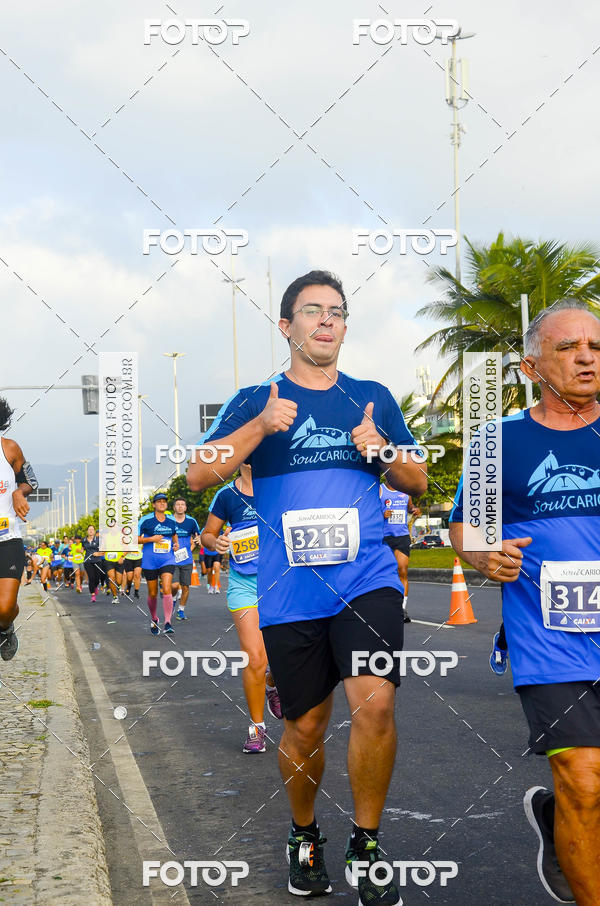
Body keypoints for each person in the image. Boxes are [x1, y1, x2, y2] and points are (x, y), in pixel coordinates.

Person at [188, 270, 427, 903]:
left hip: (366, 581)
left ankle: (367, 844)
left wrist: (381, 450)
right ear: (287, 325)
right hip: (291, 592)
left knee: (375, 705)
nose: (326, 321)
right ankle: (304, 834)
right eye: (312, 311)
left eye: (337, 312)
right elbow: (196, 474)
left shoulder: (371, 396)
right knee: (305, 725)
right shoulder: (253, 398)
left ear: (345, 326)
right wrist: (261, 427)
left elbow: (418, 483)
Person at [449, 301, 600, 906]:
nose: (587, 356)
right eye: (568, 348)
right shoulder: (497, 443)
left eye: (594, 344)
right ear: (531, 367)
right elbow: (464, 529)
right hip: (551, 638)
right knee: (585, 782)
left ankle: (558, 817)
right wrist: (483, 556)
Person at [202, 463, 283, 753]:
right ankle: (257, 728)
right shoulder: (226, 496)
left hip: (281, 582)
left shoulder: (278, 484)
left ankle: (272, 682)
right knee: (254, 657)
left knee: (280, 655)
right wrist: (217, 541)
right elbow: (207, 534)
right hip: (244, 584)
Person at [0, 396, 37, 660]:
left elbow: (30, 480)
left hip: (7, 538)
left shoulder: (9, 449)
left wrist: (18, 492)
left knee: (4, 608)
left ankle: (5, 628)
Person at [138, 493, 179, 634]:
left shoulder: (171, 520)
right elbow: (133, 539)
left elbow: (174, 534)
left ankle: (168, 622)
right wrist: (151, 539)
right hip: (150, 560)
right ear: (154, 505)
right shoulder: (145, 520)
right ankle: (154, 618)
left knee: (167, 587)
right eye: (159, 501)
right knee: (153, 593)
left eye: (164, 502)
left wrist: (176, 544)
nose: (162, 503)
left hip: (167, 559)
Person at [380, 483, 420, 623]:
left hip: (402, 536)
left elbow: (410, 508)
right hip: (384, 537)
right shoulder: (380, 490)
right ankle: (384, 606)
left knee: (402, 570)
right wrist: (382, 514)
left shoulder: (405, 491)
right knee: (386, 572)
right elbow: (370, 511)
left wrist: (415, 510)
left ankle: (401, 608)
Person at [170, 496, 201, 620]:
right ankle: (173, 599)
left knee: (185, 586)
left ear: (186, 507)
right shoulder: (168, 520)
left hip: (186, 559)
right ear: (174, 507)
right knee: (174, 585)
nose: (180, 506)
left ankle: (181, 610)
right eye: (178, 504)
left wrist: (197, 540)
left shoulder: (191, 521)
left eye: (182, 504)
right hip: (171, 559)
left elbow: (197, 536)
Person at [82, 524, 103, 603]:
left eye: (92, 529)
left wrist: (98, 554)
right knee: (91, 578)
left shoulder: (98, 540)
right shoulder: (84, 540)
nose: (90, 531)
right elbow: (83, 549)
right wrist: (80, 551)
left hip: (97, 561)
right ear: (87, 531)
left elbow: (104, 551)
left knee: (97, 579)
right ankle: (93, 595)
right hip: (88, 561)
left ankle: (96, 586)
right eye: (89, 529)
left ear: (94, 531)